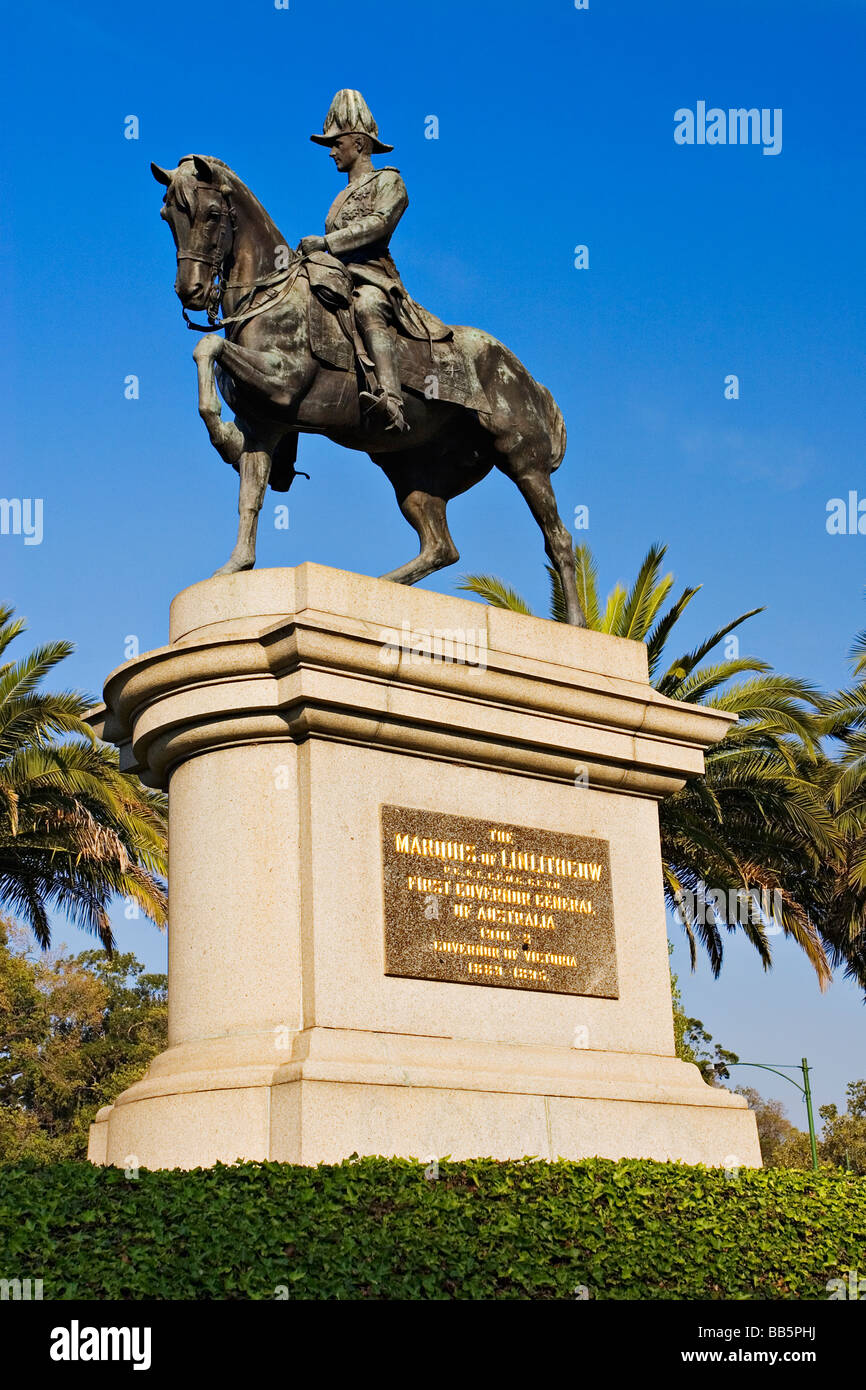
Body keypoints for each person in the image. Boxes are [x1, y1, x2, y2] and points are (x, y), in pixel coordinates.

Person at [299, 90, 441, 433]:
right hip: (339, 277)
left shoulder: (390, 181)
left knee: (367, 307)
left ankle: (391, 401)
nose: (331, 151)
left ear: (359, 144)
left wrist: (327, 242)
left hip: (374, 280)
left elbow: (378, 225)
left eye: (337, 142)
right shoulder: (340, 196)